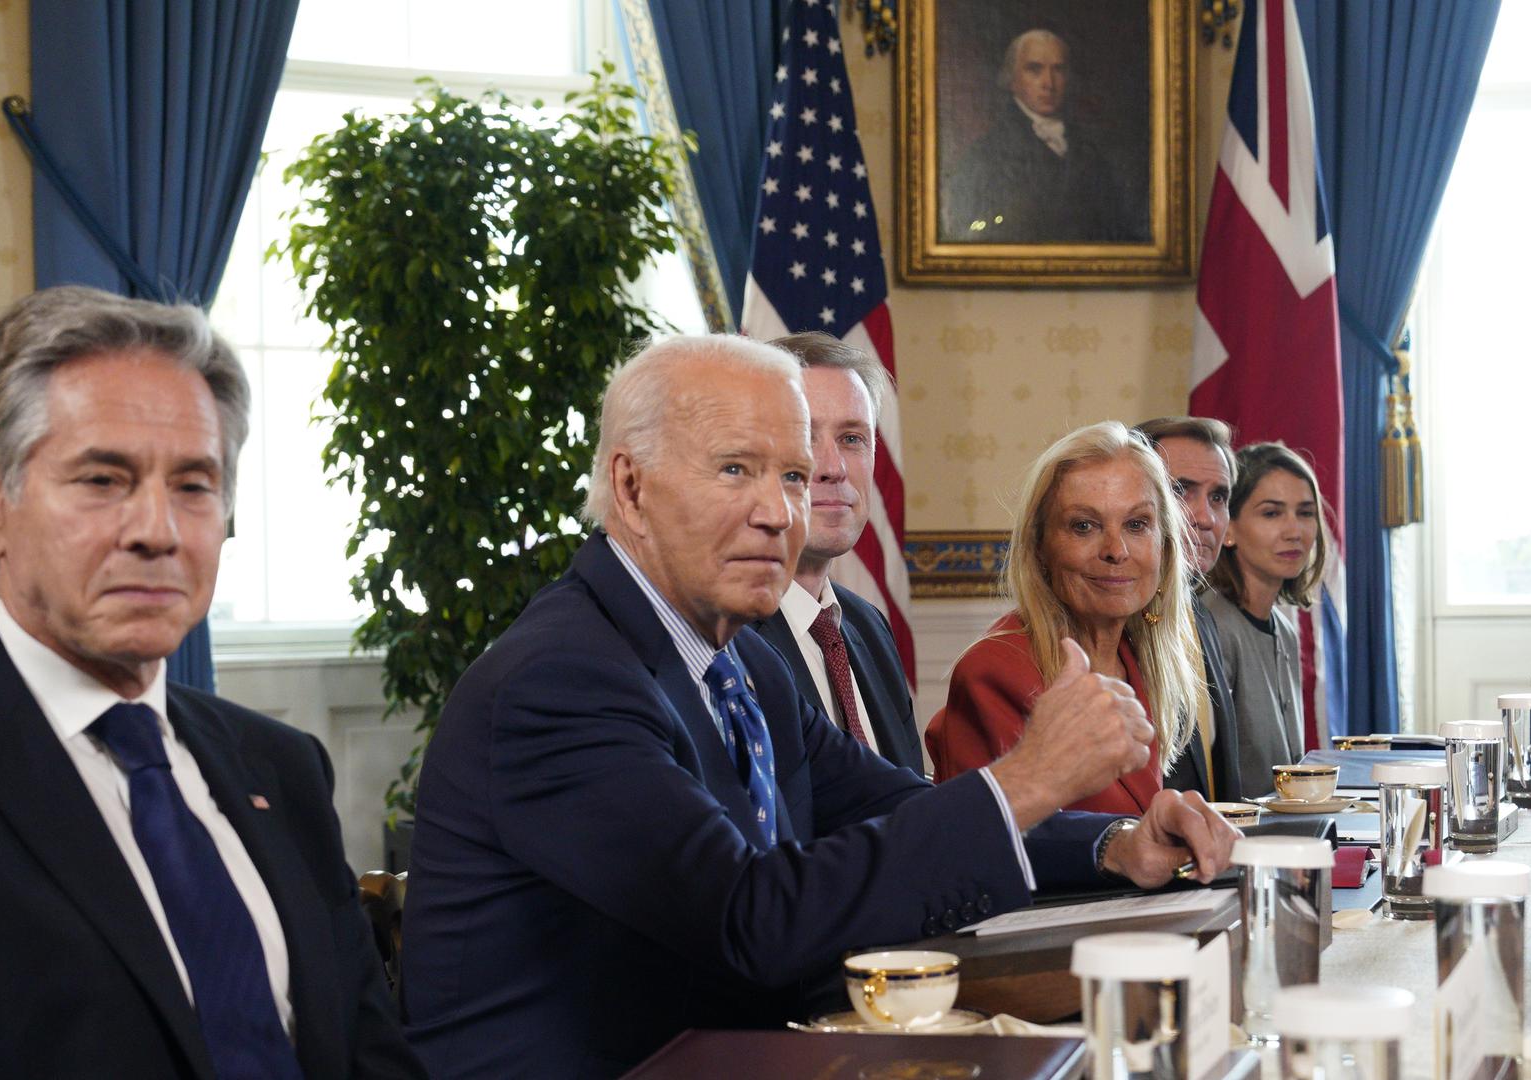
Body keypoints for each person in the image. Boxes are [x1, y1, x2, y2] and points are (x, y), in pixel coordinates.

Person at [399, 337, 1238, 1078]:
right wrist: (1028, 777)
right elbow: (750, 919)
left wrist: (1114, 844)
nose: (778, 512)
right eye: (736, 469)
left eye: (793, 476)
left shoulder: (744, 662)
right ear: (631, 486)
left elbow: (896, 806)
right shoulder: (561, 681)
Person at [0, 287, 423, 1079]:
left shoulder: (283, 768)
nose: (158, 531)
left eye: (193, 485)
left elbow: (369, 1057)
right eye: (103, 480)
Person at [926, 421, 1202, 816]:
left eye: (1137, 524)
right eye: (1084, 526)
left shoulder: (1137, 657)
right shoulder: (994, 671)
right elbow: (990, 845)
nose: (1116, 550)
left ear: (1165, 546)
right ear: (1041, 549)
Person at [748, 332, 922, 772]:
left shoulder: (869, 627)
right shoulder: (727, 636)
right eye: (805, 436)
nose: (833, 468)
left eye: (851, 439)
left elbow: (905, 807)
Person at [1206, 442, 1331, 797]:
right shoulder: (1209, 626)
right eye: (1272, 514)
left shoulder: (1285, 630)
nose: (1295, 531)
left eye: (1305, 513)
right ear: (1228, 527)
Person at [941, 27, 1145, 244]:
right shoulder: (984, 155)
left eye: (1058, 70)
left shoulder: (1093, 150)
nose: (1048, 83)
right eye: (1034, 69)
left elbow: (1116, 229)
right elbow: (973, 230)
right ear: (1012, 79)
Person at [1134, 416, 1244, 802]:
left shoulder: (1200, 616)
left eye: (1218, 497)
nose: (1205, 518)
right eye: (1182, 490)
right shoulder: (1113, 627)